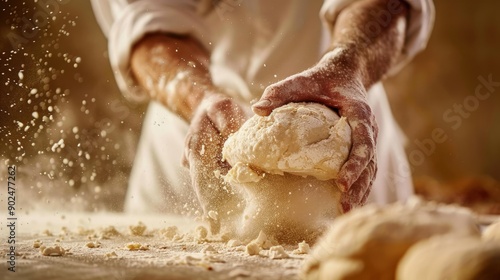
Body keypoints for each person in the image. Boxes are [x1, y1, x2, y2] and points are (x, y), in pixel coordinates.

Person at [91, 0, 434, 225]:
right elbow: (145, 21)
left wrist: (347, 64)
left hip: (343, 117)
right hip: (197, 123)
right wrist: (198, 97)